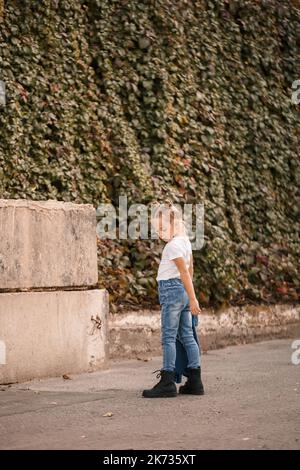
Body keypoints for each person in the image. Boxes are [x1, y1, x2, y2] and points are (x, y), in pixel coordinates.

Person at [142, 201, 204, 398]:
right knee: (187, 336)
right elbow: (190, 270)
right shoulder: (185, 241)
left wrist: (193, 299)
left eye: (162, 227)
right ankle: (195, 381)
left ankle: (168, 382)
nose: (160, 233)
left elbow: (184, 272)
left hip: (172, 291)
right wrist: (189, 296)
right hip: (182, 293)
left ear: (175, 223)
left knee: (168, 337)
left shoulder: (173, 246)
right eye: (156, 229)